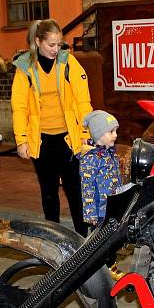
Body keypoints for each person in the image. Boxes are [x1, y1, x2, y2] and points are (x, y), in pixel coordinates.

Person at [11, 18, 93, 237]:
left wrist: (86, 133)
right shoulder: (25, 67)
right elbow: (19, 107)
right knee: (48, 193)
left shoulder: (70, 63)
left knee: (75, 192)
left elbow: (83, 101)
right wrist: (22, 140)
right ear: (38, 41)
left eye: (59, 44)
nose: (56, 49)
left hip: (68, 139)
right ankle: (54, 238)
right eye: (51, 45)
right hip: (42, 141)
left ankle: (82, 239)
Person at [79, 109, 122, 229]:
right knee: (100, 238)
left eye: (116, 131)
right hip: (100, 212)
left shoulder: (109, 152)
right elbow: (87, 187)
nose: (115, 135)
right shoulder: (90, 158)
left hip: (112, 206)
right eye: (111, 132)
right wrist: (90, 215)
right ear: (98, 134)